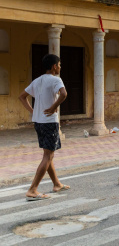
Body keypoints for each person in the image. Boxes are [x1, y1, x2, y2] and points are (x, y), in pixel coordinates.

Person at [18, 54, 70, 201]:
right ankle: (32, 189)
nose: (60, 67)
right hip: (49, 122)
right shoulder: (55, 79)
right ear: (54, 66)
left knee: (49, 154)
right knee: (48, 155)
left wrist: (33, 111)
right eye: (59, 64)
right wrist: (54, 107)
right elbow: (64, 94)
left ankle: (56, 184)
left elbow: (21, 96)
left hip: (38, 122)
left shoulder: (37, 80)